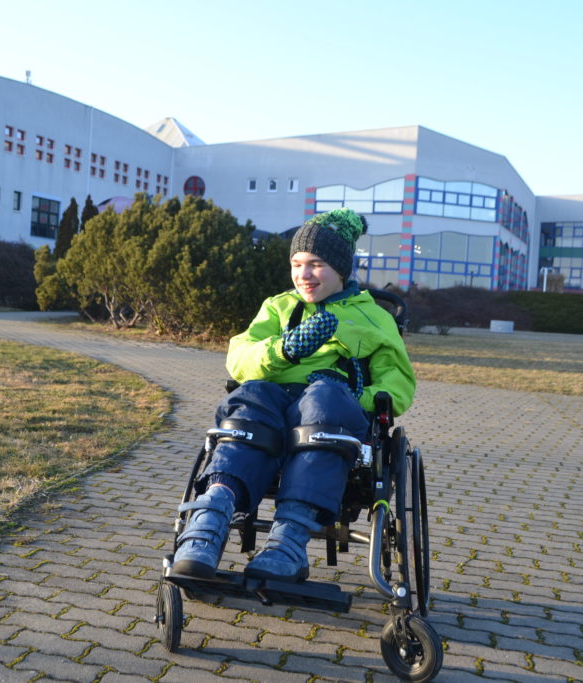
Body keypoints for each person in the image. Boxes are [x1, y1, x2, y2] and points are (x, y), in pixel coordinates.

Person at [171, 208, 416, 583]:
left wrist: (357, 395)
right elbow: (239, 359)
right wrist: (283, 350)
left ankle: (289, 541)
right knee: (251, 394)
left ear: (340, 269)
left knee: (325, 396)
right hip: (272, 404)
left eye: (316, 264)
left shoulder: (374, 318)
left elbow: (397, 385)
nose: (304, 274)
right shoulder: (278, 307)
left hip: (330, 409)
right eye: (297, 264)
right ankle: (211, 517)